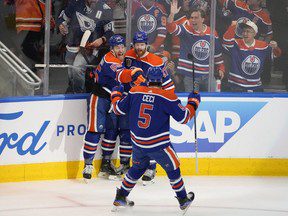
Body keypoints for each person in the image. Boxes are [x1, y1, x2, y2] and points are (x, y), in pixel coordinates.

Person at [110, 66, 200, 213]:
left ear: (147, 79)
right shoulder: (167, 96)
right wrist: (193, 102)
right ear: (162, 80)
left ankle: (121, 197)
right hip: (159, 145)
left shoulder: (135, 91)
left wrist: (116, 94)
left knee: (137, 168)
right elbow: (184, 118)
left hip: (138, 143)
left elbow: (118, 109)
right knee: (173, 168)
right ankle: (183, 199)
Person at [116, 31, 175, 185]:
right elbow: (119, 74)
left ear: (146, 44)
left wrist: (164, 101)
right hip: (133, 100)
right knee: (135, 134)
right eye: (137, 44)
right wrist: (131, 73)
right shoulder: (128, 55)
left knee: (151, 134)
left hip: (151, 102)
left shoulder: (155, 61)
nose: (139, 47)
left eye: (142, 44)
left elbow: (168, 86)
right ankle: (133, 165)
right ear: (133, 44)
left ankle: (151, 167)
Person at [82, 35, 142, 180]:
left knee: (112, 130)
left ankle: (105, 164)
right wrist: (135, 74)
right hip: (99, 98)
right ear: (112, 49)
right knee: (95, 130)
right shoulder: (109, 60)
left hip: (112, 99)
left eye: (122, 47)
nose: (121, 50)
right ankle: (88, 165)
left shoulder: (121, 58)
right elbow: (121, 75)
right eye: (117, 47)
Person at [167, 0, 225, 92]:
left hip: (207, 75)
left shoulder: (212, 33)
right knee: (192, 102)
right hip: (191, 75)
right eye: (192, 17)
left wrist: (221, 68)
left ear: (202, 19)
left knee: (214, 100)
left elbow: (217, 53)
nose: (193, 20)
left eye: (196, 18)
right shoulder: (186, 30)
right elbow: (171, 28)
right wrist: (172, 14)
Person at [57, 0, 114, 93]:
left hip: (90, 49)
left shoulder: (105, 9)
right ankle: (78, 92)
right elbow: (62, 18)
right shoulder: (75, 4)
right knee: (72, 74)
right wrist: (61, 25)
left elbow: (110, 31)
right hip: (72, 46)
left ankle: (77, 95)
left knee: (77, 69)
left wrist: (101, 39)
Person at [222, 20, 281, 92]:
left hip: (255, 86)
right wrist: (233, 26)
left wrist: (275, 47)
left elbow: (275, 54)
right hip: (236, 86)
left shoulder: (262, 45)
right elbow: (226, 40)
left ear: (255, 33)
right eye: (244, 31)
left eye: (248, 31)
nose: (245, 34)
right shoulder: (236, 43)